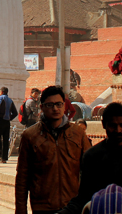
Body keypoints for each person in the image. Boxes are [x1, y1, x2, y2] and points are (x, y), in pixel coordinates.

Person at [15, 85, 91, 214]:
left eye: (58, 104)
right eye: (50, 105)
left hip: (72, 206)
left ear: (64, 106)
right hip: (43, 207)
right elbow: (23, 177)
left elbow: (90, 171)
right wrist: (21, 210)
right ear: (42, 107)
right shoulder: (30, 136)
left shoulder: (78, 133)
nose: (55, 108)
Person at [58, 102, 122, 214]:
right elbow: (84, 196)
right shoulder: (93, 156)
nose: (118, 130)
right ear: (103, 124)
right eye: (113, 125)